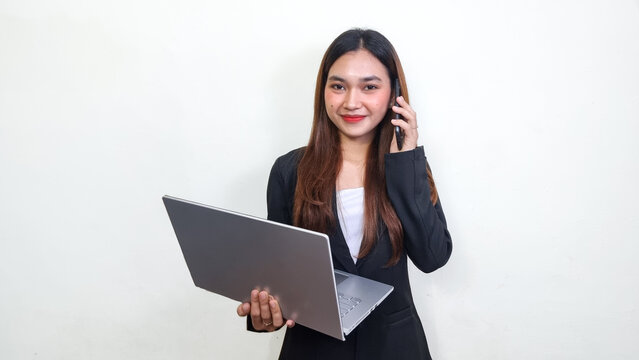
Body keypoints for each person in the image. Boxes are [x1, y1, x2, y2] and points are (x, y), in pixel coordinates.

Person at [236, 28, 452, 360]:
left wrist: (405, 161)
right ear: (323, 91)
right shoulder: (289, 170)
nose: (352, 102)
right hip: (314, 349)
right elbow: (276, 275)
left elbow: (432, 257)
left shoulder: (408, 167)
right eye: (338, 86)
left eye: (370, 86)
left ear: (394, 93)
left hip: (395, 348)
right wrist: (265, 314)